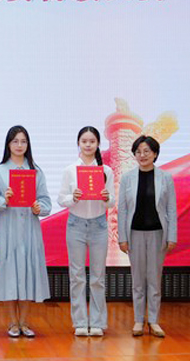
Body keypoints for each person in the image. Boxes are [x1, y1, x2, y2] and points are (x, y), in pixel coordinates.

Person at [0, 125, 51, 338]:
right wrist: (4, 199)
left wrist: (39, 208)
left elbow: (46, 201)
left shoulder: (36, 171)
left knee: (27, 272)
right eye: (15, 141)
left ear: (28, 145)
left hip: (30, 229)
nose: (19, 145)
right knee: (9, 273)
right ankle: (13, 322)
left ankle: (24, 322)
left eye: (23, 141)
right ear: (8, 144)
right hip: (9, 229)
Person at [117, 135, 177, 338]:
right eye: (138, 152)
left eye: (146, 151)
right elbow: (122, 210)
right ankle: (138, 320)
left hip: (158, 234)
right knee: (138, 280)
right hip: (134, 234)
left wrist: (172, 236)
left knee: (154, 279)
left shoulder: (165, 177)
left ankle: (153, 321)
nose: (142, 155)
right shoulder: (127, 178)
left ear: (155, 154)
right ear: (134, 155)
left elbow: (171, 209)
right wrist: (122, 237)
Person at [57, 126, 114, 337]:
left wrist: (107, 198)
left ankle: (97, 322)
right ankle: (80, 322)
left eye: (92, 141)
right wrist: (73, 197)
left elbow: (111, 202)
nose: (88, 145)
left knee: (98, 277)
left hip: (99, 225)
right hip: (76, 225)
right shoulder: (70, 170)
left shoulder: (106, 171)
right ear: (78, 144)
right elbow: (61, 199)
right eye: (84, 141)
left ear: (98, 144)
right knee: (77, 276)